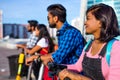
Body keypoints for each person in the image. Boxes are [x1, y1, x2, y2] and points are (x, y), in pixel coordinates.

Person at [58, 3, 120, 80]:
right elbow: (78, 67)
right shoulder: (89, 45)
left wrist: (79, 77)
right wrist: (59, 67)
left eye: (88, 18)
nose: (85, 23)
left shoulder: (116, 47)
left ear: (100, 21)